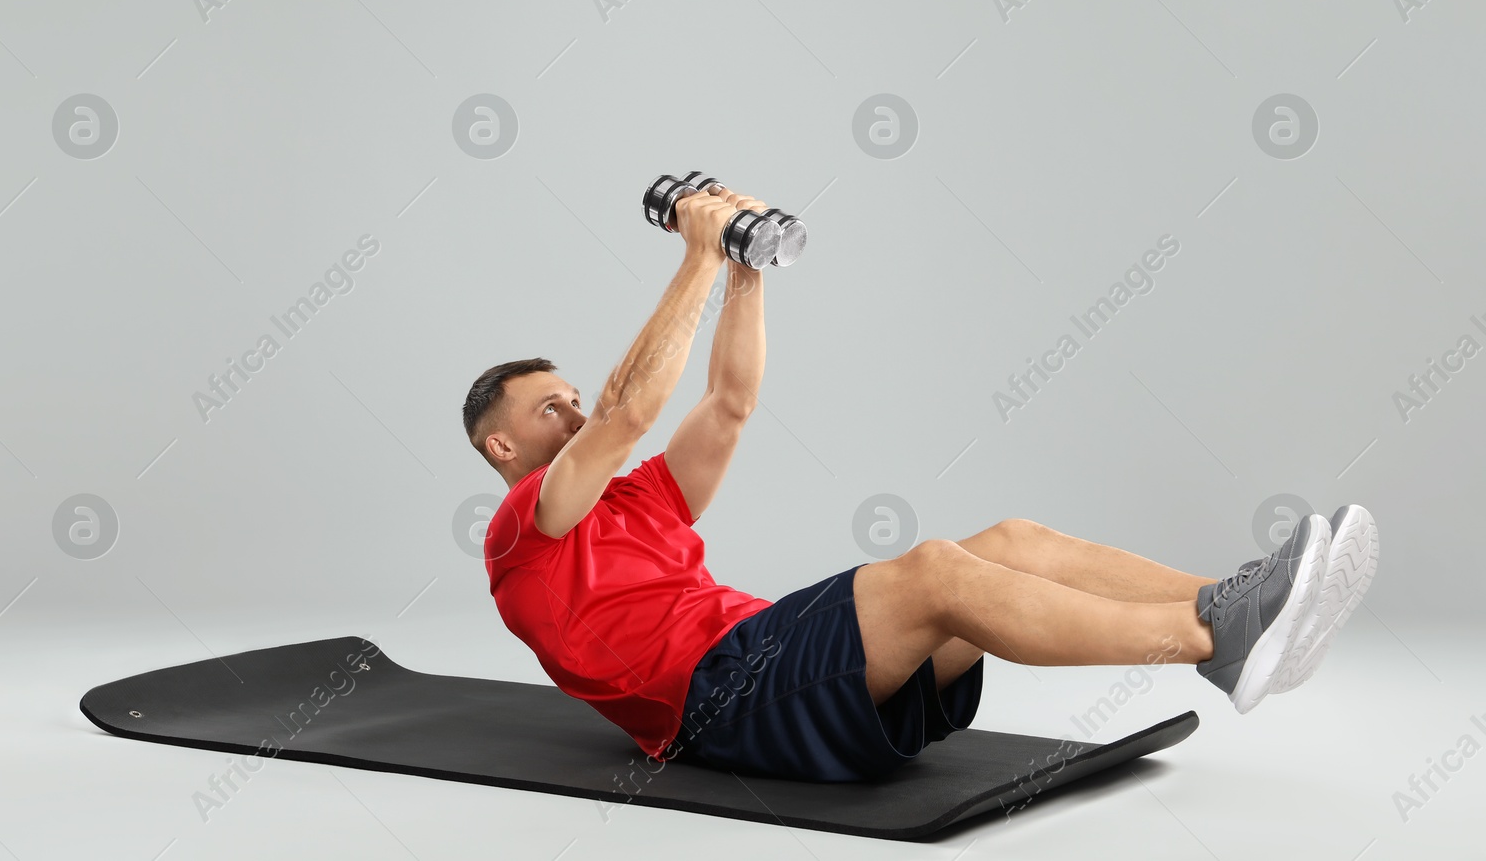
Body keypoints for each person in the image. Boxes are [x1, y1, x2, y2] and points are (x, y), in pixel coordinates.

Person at [461, 183, 1380, 783]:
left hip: (769, 663)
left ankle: (1231, 600)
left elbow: (730, 401)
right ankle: (1212, 641)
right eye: (549, 409)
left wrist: (743, 270)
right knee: (937, 570)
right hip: (719, 703)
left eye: (572, 395)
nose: (575, 414)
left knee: (1010, 539)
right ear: (500, 447)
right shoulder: (518, 530)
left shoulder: (636, 499)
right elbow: (628, 411)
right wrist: (695, 256)